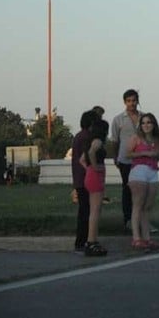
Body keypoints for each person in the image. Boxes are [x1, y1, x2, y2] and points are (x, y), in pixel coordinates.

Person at [127, 113, 159, 250]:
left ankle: (147, 238)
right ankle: (136, 238)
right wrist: (145, 153)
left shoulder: (157, 139)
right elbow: (128, 154)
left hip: (153, 171)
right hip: (139, 171)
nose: (146, 125)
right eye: (143, 123)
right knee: (138, 204)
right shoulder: (136, 138)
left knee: (147, 206)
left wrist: (156, 154)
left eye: (149, 122)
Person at [109, 88, 141, 231]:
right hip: (125, 159)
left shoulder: (144, 118)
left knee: (140, 189)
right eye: (129, 101)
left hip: (141, 159)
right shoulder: (118, 119)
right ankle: (127, 218)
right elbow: (115, 141)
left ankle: (139, 218)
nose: (131, 103)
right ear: (124, 102)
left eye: (134, 101)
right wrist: (115, 157)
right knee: (127, 189)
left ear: (137, 101)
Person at [81, 119, 109, 257]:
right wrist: (95, 166)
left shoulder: (89, 142)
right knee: (95, 211)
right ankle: (92, 241)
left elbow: (81, 159)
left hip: (90, 175)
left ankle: (91, 240)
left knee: (94, 209)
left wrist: (89, 168)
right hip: (96, 175)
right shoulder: (98, 142)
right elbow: (92, 153)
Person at [72, 110, 97, 254]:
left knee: (84, 210)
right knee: (86, 211)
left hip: (79, 179)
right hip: (86, 178)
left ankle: (82, 240)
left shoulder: (78, 136)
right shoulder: (87, 138)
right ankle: (82, 241)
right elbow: (85, 158)